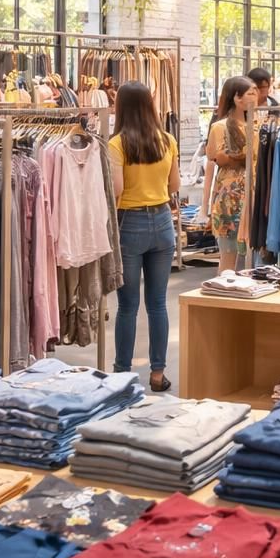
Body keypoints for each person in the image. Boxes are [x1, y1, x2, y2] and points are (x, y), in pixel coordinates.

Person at [109, 81, 180, 393]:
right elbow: (175, 185)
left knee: (127, 306)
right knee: (158, 303)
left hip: (129, 223)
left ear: (121, 107)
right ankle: (157, 373)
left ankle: (122, 374)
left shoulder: (116, 145)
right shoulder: (167, 140)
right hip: (163, 221)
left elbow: (116, 190)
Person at [206, 76, 258, 273]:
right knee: (229, 255)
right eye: (250, 92)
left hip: (253, 192)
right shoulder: (220, 127)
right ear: (237, 98)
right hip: (230, 196)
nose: (256, 95)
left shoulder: (257, 125)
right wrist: (239, 156)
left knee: (252, 256)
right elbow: (217, 157)